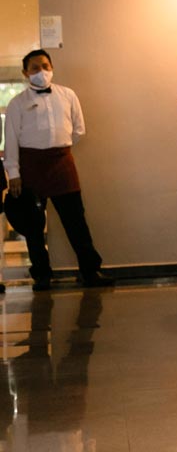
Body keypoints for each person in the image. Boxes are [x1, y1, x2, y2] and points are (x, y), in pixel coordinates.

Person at [2, 49, 112, 290]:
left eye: (45, 66)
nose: (41, 71)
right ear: (25, 73)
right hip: (30, 165)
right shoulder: (17, 103)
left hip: (62, 162)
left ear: (52, 67)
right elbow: (11, 141)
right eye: (34, 68)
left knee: (76, 220)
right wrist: (14, 174)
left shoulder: (68, 95)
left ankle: (90, 271)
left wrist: (58, 146)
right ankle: (42, 275)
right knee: (33, 225)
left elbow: (78, 130)